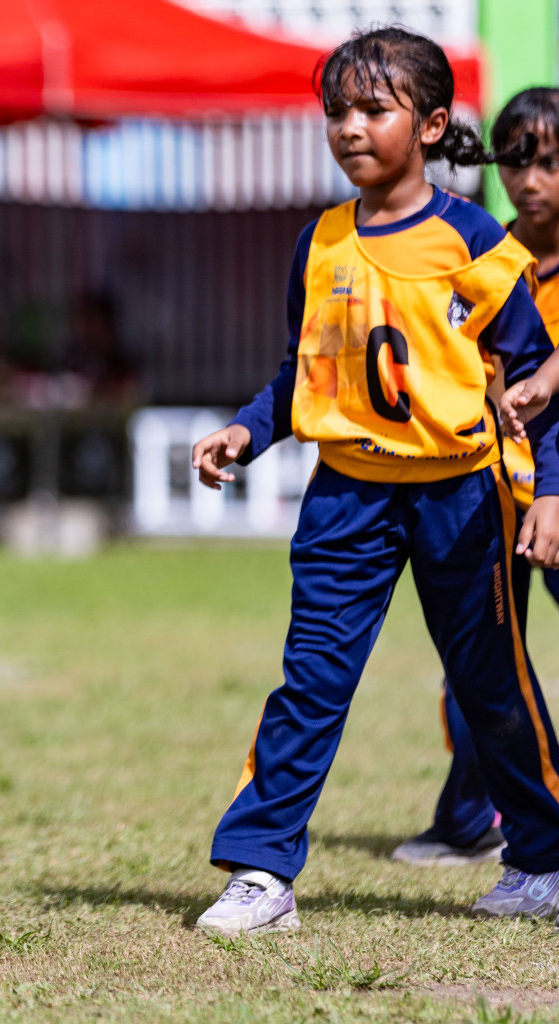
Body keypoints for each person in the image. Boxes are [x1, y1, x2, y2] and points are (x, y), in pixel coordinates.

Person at [191, 27, 559, 938]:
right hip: (345, 499)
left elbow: (541, 384)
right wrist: (248, 428)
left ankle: (544, 859)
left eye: (373, 109)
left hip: (465, 499)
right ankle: (261, 871)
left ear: (431, 125)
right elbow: (302, 373)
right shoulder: (319, 243)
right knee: (311, 681)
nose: (350, 128)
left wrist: (548, 492)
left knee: (490, 685)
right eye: (336, 112)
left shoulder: (478, 242)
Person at [391, 87, 559, 869]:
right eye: (519, 161)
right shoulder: (479, 252)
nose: (533, 180)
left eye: (552, 163)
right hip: (493, 489)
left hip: (552, 488)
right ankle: (470, 817)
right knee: (482, 664)